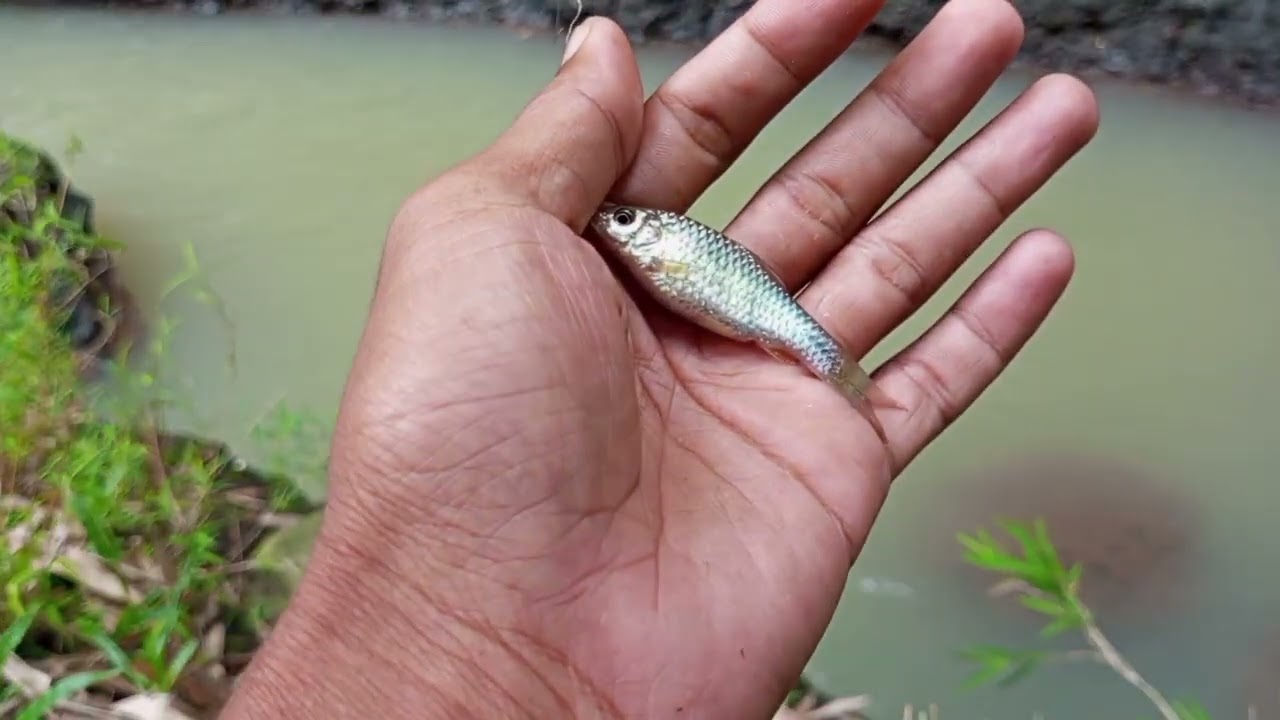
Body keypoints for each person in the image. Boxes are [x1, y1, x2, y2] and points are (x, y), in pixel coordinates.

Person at [220, 0, 1098, 716]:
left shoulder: (666, 247)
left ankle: (835, 371)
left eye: (630, 225)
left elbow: (672, 258)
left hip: (768, 320)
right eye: (631, 226)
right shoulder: (641, 255)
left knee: (803, 332)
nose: (622, 228)